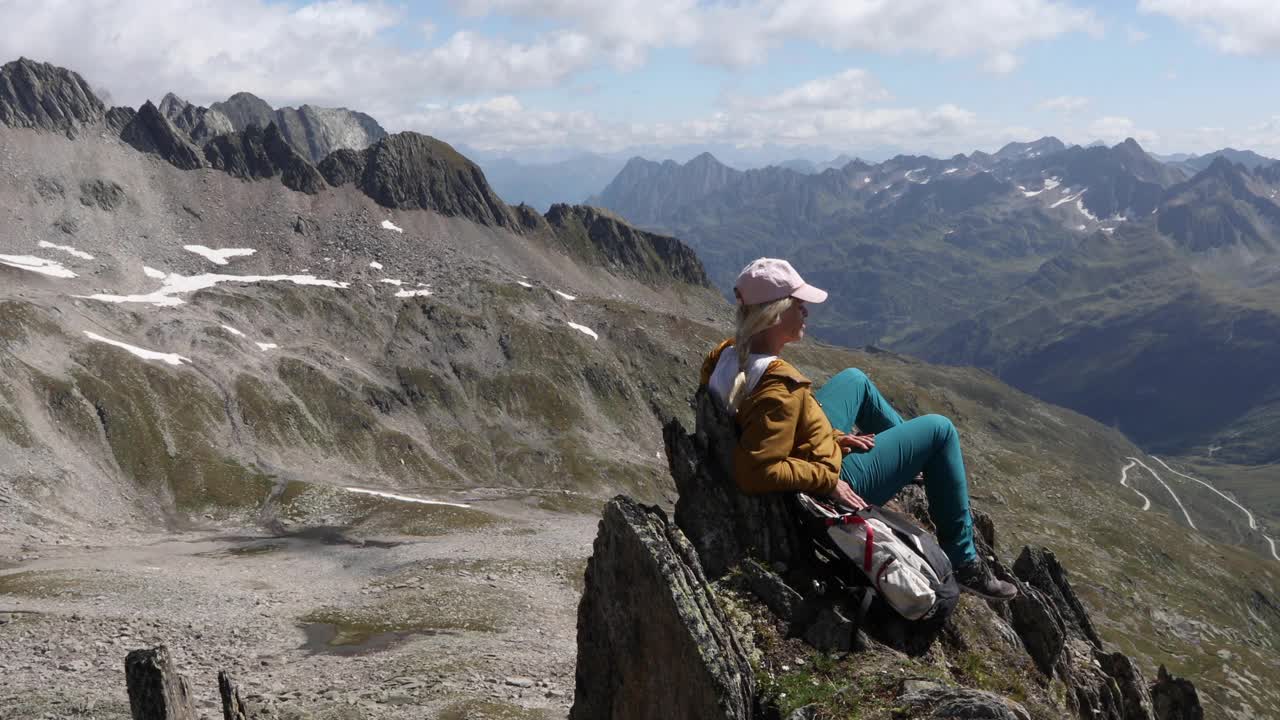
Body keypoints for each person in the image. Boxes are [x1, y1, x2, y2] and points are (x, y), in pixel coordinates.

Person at [700, 257, 1016, 601]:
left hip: (810, 449)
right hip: (832, 484)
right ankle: (964, 560)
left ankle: (915, 462)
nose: (806, 311)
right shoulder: (780, 388)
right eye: (799, 304)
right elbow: (756, 471)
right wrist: (829, 480)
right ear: (774, 314)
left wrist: (833, 436)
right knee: (941, 430)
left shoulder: (726, 355)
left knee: (855, 379)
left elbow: (762, 428)